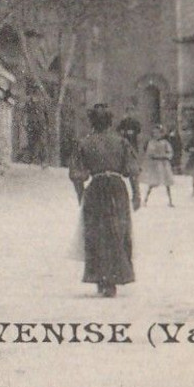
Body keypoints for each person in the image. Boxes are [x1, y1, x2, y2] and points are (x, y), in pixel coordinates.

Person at [68, 104, 139, 297]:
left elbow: (76, 174)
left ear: (92, 122)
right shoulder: (121, 142)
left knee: (96, 233)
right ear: (110, 121)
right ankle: (114, 278)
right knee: (118, 231)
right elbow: (132, 171)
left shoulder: (85, 143)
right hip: (117, 188)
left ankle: (100, 278)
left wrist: (81, 195)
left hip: (96, 188)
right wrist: (136, 194)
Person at [142, 126, 176, 208]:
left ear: (161, 134)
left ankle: (170, 200)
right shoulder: (151, 143)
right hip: (155, 164)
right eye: (154, 133)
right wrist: (153, 156)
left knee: (167, 183)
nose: (156, 135)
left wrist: (166, 156)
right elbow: (149, 153)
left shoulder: (165, 143)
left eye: (158, 133)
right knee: (152, 183)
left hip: (164, 164)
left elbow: (170, 152)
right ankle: (145, 199)